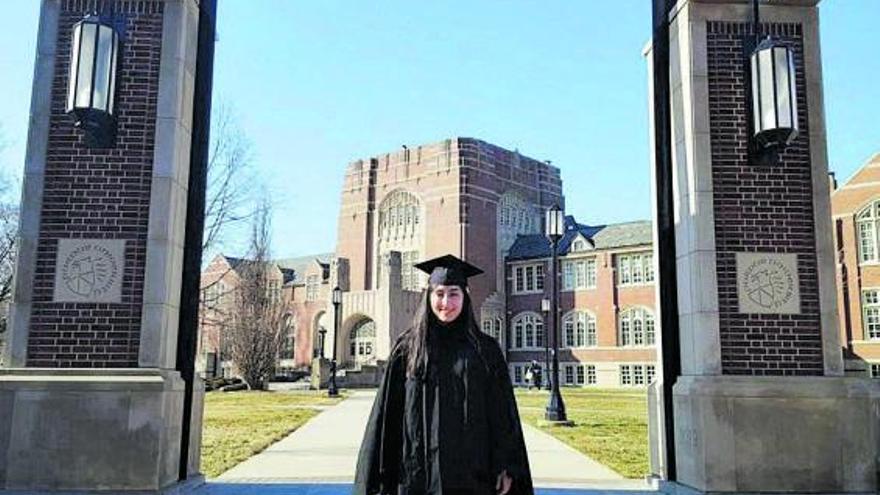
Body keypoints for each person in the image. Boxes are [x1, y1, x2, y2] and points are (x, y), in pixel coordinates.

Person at [354, 254, 533, 495]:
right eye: (439, 293)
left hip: (473, 473)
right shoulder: (408, 348)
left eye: (453, 294)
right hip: (417, 472)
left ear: (465, 297)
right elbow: (387, 415)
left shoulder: (485, 350)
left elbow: (501, 413)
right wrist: (382, 474)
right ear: (428, 297)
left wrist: (505, 465)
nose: (446, 302)